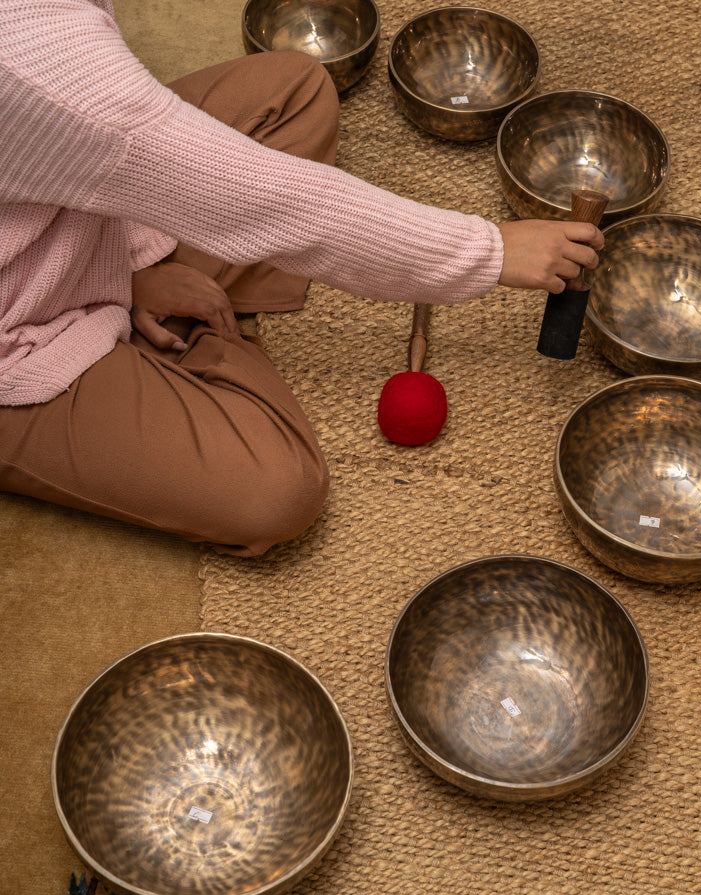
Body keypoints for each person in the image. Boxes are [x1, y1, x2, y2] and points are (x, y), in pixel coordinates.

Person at [0, 0, 603, 557]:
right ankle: (190, 350)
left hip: (60, 226)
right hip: (19, 332)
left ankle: (153, 321)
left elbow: (97, 143)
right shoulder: (29, 62)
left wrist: (131, 263)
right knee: (277, 490)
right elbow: (269, 203)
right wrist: (488, 252)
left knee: (295, 89)